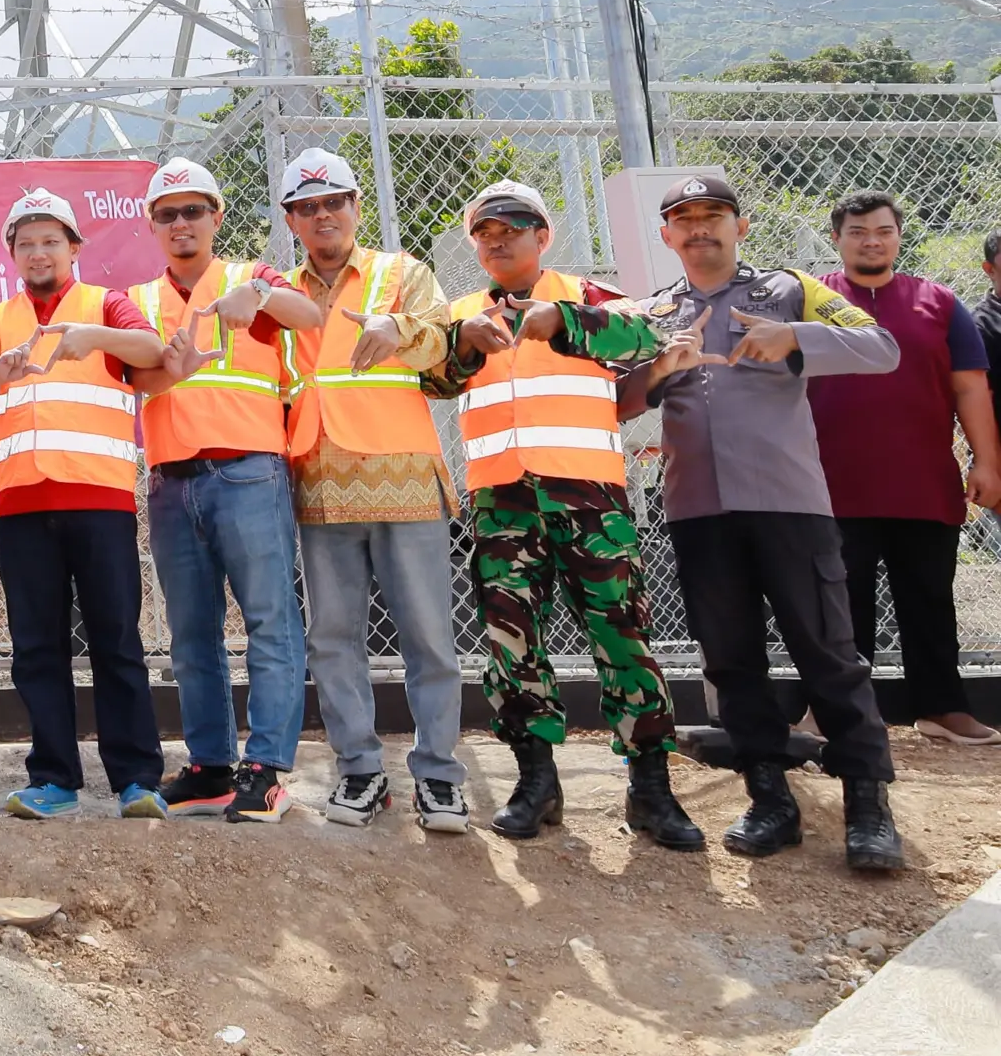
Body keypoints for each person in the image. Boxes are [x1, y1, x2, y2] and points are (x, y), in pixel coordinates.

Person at [618, 171, 905, 869]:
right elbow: (620, 402)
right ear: (666, 235)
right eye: (683, 218)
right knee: (731, 657)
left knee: (828, 650)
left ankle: (868, 800)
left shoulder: (792, 289)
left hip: (790, 504)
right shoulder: (652, 311)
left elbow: (883, 348)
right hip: (698, 510)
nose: (699, 228)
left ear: (739, 226)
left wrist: (795, 338)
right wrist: (657, 370)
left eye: (714, 214)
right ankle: (769, 793)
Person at [426, 180, 702, 849]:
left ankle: (650, 787)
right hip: (502, 506)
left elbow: (647, 334)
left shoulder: (586, 295)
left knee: (622, 638)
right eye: (484, 230)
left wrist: (563, 322)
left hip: (590, 501)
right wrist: (465, 340)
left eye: (513, 227)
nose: (497, 238)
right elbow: (432, 376)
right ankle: (537, 780)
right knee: (513, 647)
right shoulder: (462, 311)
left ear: (541, 236)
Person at [275, 148, 469, 834]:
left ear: (356, 207)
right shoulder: (283, 291)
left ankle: (440, 776)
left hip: (403, 478)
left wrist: (398, 329)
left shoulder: (401, 273)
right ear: (292, 219)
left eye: (335, 201)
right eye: (308, 206)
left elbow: (443, 345)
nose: (323, 214)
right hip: (322, 482)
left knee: (428, 636)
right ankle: (359, 768)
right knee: (332, 638)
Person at [0, 187, 169, 821]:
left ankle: (136, 779)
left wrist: (93, 335)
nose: (38, 252)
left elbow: (153, 352)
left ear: (75, 248)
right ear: (11, 255)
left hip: (99, 500)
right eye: (26, 243)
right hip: (22, 506)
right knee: (36, 647)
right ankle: (53, 777)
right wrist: (2, 373)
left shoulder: (106, 304)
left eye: (51, 240)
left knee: (116, 641)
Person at [126, 158, 323, 825]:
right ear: (152, 225)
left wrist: (261, 298)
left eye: (193, 210)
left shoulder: (249, 277)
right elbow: (132, 374)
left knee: (270, 620)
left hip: (248, 474)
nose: (181, 223)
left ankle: (265, 770)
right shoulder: (139, 301)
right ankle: (211, 766)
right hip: (171, 482)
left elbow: (310, 311)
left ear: (216, 216)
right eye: (167, 213)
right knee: (191, 635)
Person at [807, 191, 1001, 744]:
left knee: (931, 601)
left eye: (884, 231)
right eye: (859, 231)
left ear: (898, 236)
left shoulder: (938, 302)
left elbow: (970, 385)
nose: (872, 240)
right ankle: (834, 714)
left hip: (922, 484)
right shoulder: (808, 299)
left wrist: (986, 461)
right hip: (831, 487)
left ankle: (941, 709)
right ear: (838, 238)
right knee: (837, 608)